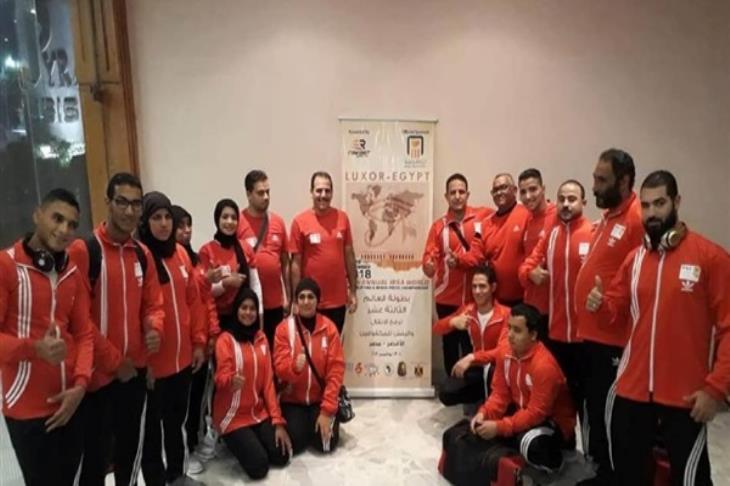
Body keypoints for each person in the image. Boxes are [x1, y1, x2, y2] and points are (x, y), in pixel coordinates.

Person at [586, 170, 730, 486]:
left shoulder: (711, 258)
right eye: (646, 205)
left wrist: (716, 389)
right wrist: (600, 305)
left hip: (685, 395)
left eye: (660, 203)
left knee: (690, 479)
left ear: (676, 202)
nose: (651, 212)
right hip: (632, 389)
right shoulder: (634, 260)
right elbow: (615, 313)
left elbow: (728, 329)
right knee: (629, 474)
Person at [69, 172, 165, 486]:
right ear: (108, 203)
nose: (129, 211)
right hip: (94, 378)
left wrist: (154, 328)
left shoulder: (142, 254)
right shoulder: (84, 251)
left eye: (136, 204)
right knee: (93, 463)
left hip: (133, 374)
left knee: (129, 455)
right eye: (122, 202)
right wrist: (114, 362)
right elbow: (79, 320)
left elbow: (154, 305)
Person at [0, 188, 94, 486]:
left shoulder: (71, 272)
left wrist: (80, 385)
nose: (64, 229)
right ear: (37, 215)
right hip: (27, 409)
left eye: (72, 224)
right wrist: (35, 349)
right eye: (57, 218)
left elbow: (84, 334)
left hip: (71, 403)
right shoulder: (6, 266)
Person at [572, 149, 643, 485]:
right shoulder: (610, 217)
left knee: (612, 414)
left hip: (614, 338)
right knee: (596, 408)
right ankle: (601, 470)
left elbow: (643, 278)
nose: (595, 186)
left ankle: (613, 477)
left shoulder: (636, 220)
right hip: (593, 335)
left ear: (624, 181)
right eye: (595, 178)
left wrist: (609, 303)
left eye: (602, 180)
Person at [441, 304, 575, 481]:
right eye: (509, 328)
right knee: (483, 427)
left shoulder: (544, 366)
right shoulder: (505, 352)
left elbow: (536, 413)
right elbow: (499, 394)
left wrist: (500, 427)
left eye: (517, 330)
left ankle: (554, 460)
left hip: (552, 422)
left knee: (530, 445)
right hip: (522, 411)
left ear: (533, 335)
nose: (510, 334)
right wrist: (484, 413)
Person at [138, 192, 207, 486]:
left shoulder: (180, 253)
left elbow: (194, 301)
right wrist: (144, 362)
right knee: (152, 434)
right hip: (154, 366)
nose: (164, 223)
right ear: (145, 221)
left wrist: (199, 342)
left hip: (183, 359)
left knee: (176, 424)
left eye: (168, 217)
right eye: (157, 217)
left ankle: (178, 475)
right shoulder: (139, 256)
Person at [519, 179, 592, 446]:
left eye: (572, 199)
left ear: (584, 202)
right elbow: (525, 266)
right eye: (562, 199)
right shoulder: (551, 235)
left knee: (587, 399)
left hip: (586, 337)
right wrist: (530, 273)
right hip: (556, 332)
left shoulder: (594, 234)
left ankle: (592, 455)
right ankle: (564, 445)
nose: (566, 204)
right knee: (559, 395)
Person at [213, 287, 292, 479]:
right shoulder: (225, 340)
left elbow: (268, 384)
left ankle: (251, 438)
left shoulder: (261, 338)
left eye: (252, 309)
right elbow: (220, 376)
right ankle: (231, 440)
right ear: (236, 310)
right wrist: (230, 380)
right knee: (259, 468)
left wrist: (278, 422)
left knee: (281, 456)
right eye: (244, 308)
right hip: (232, 417)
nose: (248, 313)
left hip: (257, 413)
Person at [423, 173, 493, 376]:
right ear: (446, 196)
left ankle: (473, 389)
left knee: (474, 345)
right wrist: (428, 266)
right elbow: (429, 258)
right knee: (450, 346)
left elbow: (508, 214)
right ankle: (453, 387)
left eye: (461, 192)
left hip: (476, 297)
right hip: (447, 299)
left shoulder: (484, 216)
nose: (457, 196)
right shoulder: (438, 226)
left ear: (467, 194)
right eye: (452, 192)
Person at [171, 204, 220, 474]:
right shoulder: (168, 262)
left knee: (200, 397)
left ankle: (196, 439)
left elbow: (207, 301)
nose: (186, 231)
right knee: (183, 402)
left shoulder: (197, 260)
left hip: (202, 342)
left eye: (189, 225)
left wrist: (212, 334)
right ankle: (184, 451)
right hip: (181, 345)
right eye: (181, 226)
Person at [273, 278, 345, 454]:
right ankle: (305, 424)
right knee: (295, 442)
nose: (306, 301)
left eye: (310, 297)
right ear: (296, 301)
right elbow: (279, 367)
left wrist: (326, 411)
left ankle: (322, 420)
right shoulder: (284, 329)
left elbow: (336, 371)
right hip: (293, 400)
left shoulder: (329, 329)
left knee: (325, 445)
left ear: (317, 301)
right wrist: (294, 367)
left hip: (320, 399)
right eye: (302, 297)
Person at [289, 171, 357, 334]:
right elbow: (295, 264)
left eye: (327, 191)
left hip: (337, 300)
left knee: (334, 345)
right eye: (319, 190)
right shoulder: (299, 221)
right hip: (310, 300)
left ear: (332, 193)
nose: (323, 195)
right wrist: (296, 299)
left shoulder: (342, 218)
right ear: (311, 192)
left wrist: (353, 291)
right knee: (311, 346)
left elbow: (349, 255)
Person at [434, 265, 510, 406]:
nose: (477, 291)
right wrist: (453, 322)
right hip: (477, 368)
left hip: (498, 368)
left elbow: (503, 351)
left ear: (493, 287)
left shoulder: (506, 314)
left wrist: (472, 357)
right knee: (446, 393)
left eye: (482, 286)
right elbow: (437, 329)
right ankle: (481, 397)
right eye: (474, 287)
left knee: (493, 372)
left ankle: (493, 400)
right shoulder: (467, 310)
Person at [237, 170, 291, 348]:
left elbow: (285, 262)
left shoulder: (278, 222)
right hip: (248, 307)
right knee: (253, 352)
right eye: (260, 193)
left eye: (268, 192)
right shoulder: (238, 222)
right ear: (248, 194)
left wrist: (288, 297)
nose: (266, 197)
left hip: (275, 304)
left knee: (276, 352)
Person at [458, 173, 529, 306]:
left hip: (525, 298)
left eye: (503, 187)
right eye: (495, 190)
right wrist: (458, 260)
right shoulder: (486, 223)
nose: (499, 192)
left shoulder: (528, 214)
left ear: (514, 190)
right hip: (497, 299)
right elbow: (476, 255)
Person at [199, 199, 262, 332]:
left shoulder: (245, 248)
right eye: (225, 217)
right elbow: (204, 291)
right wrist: (225, 283)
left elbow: (255, 284)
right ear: (217, 219)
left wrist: (259, 312)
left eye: (234, 218)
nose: (229, 222)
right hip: (217, 318)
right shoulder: (206, 251)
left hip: (244, 317)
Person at [518, 168, 556, 339]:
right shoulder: (528, 219)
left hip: (553, 307)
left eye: (533, 189)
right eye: (523, 192)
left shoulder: (557, 216)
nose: (528, 196)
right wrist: (528, 273)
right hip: (532, 305)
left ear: (543, 189)